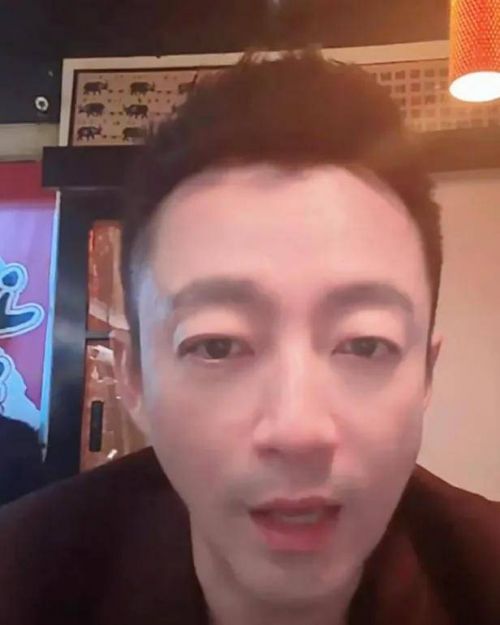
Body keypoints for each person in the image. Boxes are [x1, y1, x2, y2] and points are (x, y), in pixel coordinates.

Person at [0, 49, 499, 625]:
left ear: (425, 374)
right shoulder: (23, 580)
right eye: (217, 345)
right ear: (133, 377)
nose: (298, 430)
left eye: (365, 345)